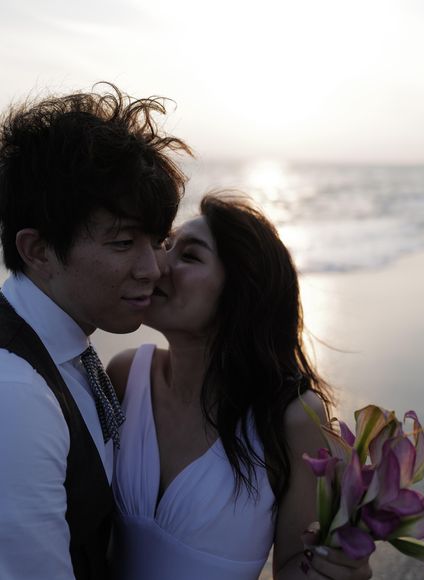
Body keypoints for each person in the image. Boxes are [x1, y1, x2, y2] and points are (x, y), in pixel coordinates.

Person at [108, 194, 373, 579]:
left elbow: (293, 566)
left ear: (241, 292)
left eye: (189, 256)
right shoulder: (125, 376)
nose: (158, 263)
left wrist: (337, 568)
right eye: (166, 245)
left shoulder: (293, 418)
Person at [0, 84, 190, 580]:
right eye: (124, 242)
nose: (154, 269)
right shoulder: (16, 394)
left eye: (159, 240)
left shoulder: (71, 350)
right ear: (38, 250)